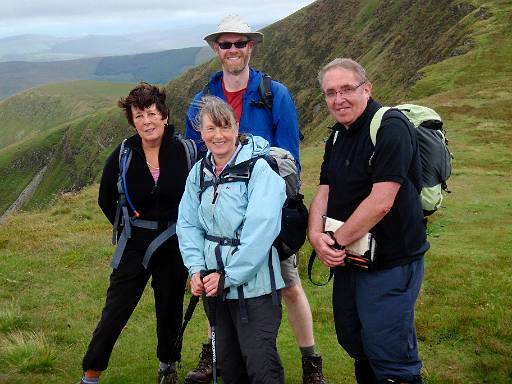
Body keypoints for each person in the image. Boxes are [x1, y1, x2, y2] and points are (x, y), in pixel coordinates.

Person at [185, 15, 327, 384]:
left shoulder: (273, 93)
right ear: (216, 49)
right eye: (226, 44)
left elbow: (288, 154)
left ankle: (310, 359)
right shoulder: (204, 99)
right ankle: (218, 347)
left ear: (251, 47)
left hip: (267, 207)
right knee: (215, 276)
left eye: (240, 43)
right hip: (221, 208)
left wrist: (274, 206)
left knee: (288, 283)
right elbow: (194, 153)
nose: (233, 50)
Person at [308, 58, 429, 384]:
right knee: (355, 340)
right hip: (351, 259)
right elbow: (325, 189)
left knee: (389, 353)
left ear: (367, 88)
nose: (339, 99)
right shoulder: (337, 136)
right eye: (330, 93)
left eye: (346, 89)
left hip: (391, 263)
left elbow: (381, 202)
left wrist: (334, 240)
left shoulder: (390, 126)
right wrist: (315, 235)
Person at [79, 82, 188, 384]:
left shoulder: (185, 151)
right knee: (115, 309)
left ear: (164, 115)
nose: (146, 122)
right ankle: (91, 374)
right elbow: (105, 199)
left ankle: (168, 365)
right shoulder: (124, 153)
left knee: (170, 307)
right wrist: (127, 223)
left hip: (174, 243)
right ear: (132, 120)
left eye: (151, 113)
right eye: (138, 116)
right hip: (134, 244)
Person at [177, 95, 287, 383]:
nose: (218, 136)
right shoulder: (198, 173)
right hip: (215, 286)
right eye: (210, 129)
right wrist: (196, 269)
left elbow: (261, 230)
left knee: (261, 366)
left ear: (237, 127)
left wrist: (230, 275)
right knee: (228, 367)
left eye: (225, 127)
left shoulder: (259, 169)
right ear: (201, 133)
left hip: (256, 289)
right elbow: (187, 224)